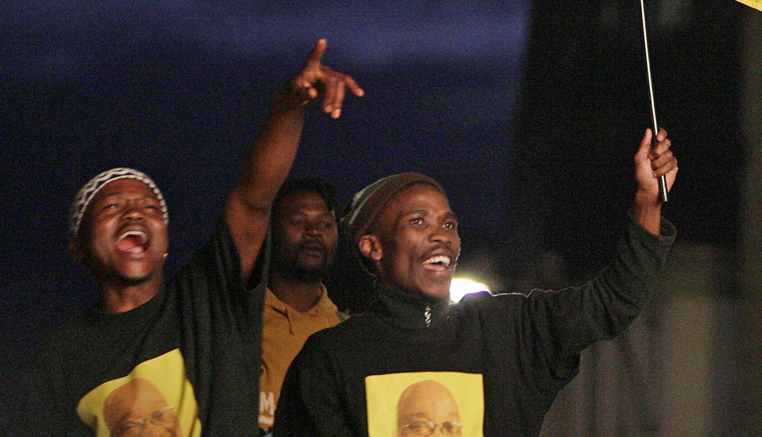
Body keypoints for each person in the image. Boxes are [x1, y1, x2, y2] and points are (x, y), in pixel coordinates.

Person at [24, 40, 363, 437]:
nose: (134, 212)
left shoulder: (209, 299)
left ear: (165, 243)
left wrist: (289, 105)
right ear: (78, 248)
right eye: (112, 208)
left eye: (150, 207)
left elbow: (253, 200)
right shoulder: (61, 357)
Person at [273, 128, 679, 437]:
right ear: (372, 246)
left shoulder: (508, 330)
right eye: (418, 222)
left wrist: (647, 202)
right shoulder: (331, 358)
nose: (442, 235)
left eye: (449, 223)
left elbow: (612, 302)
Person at [260, 177, 346, 433]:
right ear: (268, 229)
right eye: (298, 221)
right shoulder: (235, 324)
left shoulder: (346, 333)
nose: (314, 231)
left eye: (325, 224)